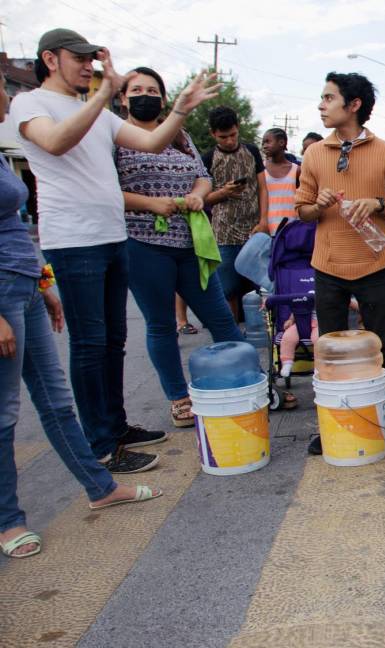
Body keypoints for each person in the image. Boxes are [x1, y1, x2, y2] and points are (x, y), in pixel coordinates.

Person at [11, 28, 218, 473]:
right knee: (90, 344)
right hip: (73, 239)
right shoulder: (31, 104)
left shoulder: (97, 113)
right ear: (50, 59)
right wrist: (104, 91)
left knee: (114, 342)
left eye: (94, 59)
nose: (89, 66)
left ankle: (117, 427)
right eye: (79, 58)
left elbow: (151, 141)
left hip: (111, 236)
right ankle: (101, 445)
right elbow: (55, 142)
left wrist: (180, 107)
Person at [295, 72, 385, 455]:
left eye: (329, 98)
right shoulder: (314, 154)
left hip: (375, 263)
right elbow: (301, 211)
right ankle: (333, 423)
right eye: (321, 97)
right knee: (329, 349)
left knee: (383, 347)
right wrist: (318, 206)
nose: (321, 105)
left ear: (354, 105)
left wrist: (378, 204)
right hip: (329, 265)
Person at [115, 66, 244, 429]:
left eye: (153, 90)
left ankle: (242, 382)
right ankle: (179, 397)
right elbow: (106, 190)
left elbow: (202, 175)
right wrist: (151, 203)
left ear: (164, 98)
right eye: (137, 89)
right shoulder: (114, 136)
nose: (146, 95)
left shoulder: (179, 135)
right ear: (123, 98)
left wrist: (200, 195)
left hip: (190, 243)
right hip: (143, 244)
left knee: (221, 317)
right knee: (161, 326)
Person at [203, 105, 269, 320]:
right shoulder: (208, 158)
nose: (229, 141)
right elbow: (202, 199)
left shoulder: (251, 151)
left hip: (253, 229)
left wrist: (264, 220)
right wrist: (223, 192)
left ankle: (263, 329)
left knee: (262, 284)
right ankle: (232, 334)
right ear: (213, 133)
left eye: (232, 135)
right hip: (223, 233)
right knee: (228, 287)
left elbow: (263, 187)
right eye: (223, 137)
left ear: (238, 128)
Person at [262, 127, 299, 235]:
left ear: (281, 142)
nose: (264, 146)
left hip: (290, 231)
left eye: (268, 141)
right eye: (263, 143)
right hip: (266, 230)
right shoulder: (261, 169)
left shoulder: (297, 170)